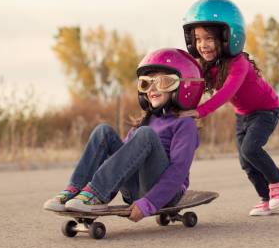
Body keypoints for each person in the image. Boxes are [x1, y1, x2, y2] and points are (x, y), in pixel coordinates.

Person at [43, 48, 204, 222]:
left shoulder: (184, 124)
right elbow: (123, 161)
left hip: (167, 194)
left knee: (146, 135)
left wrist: (149, 204)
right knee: (103, 131)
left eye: (162, 82)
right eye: (146, 83)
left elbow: (178, 172)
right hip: (134, 190)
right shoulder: (147, 120)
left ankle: (95, 194)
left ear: (184, 84)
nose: (151, 89)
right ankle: (76, 190)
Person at [179, 0, 279, 216]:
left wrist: (199, 112)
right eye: (198, 39)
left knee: (251, 149)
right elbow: (194, 86)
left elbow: (227, 92)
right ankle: (265, 198)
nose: (203, 45)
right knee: (245, 161)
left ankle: (278, 179)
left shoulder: (239, 64)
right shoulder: (208, 65)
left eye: (209, 38)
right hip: (243, 115)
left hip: (266, 111)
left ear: (228, 37)